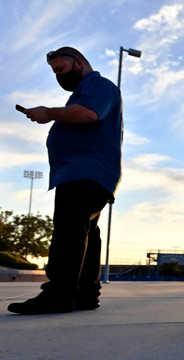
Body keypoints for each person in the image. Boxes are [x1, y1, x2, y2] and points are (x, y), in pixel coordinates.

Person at [10, 47, 123, 315]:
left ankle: (59, 295)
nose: (58, 76)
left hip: (85, 170)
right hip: (91, 172)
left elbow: (89, 114)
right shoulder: (83, 91)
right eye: (54, 72)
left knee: (70, 228)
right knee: (86, 232)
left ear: (79, 63)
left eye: (61, 69)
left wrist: (49, 112)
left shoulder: (98, 85)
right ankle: (85, 294)